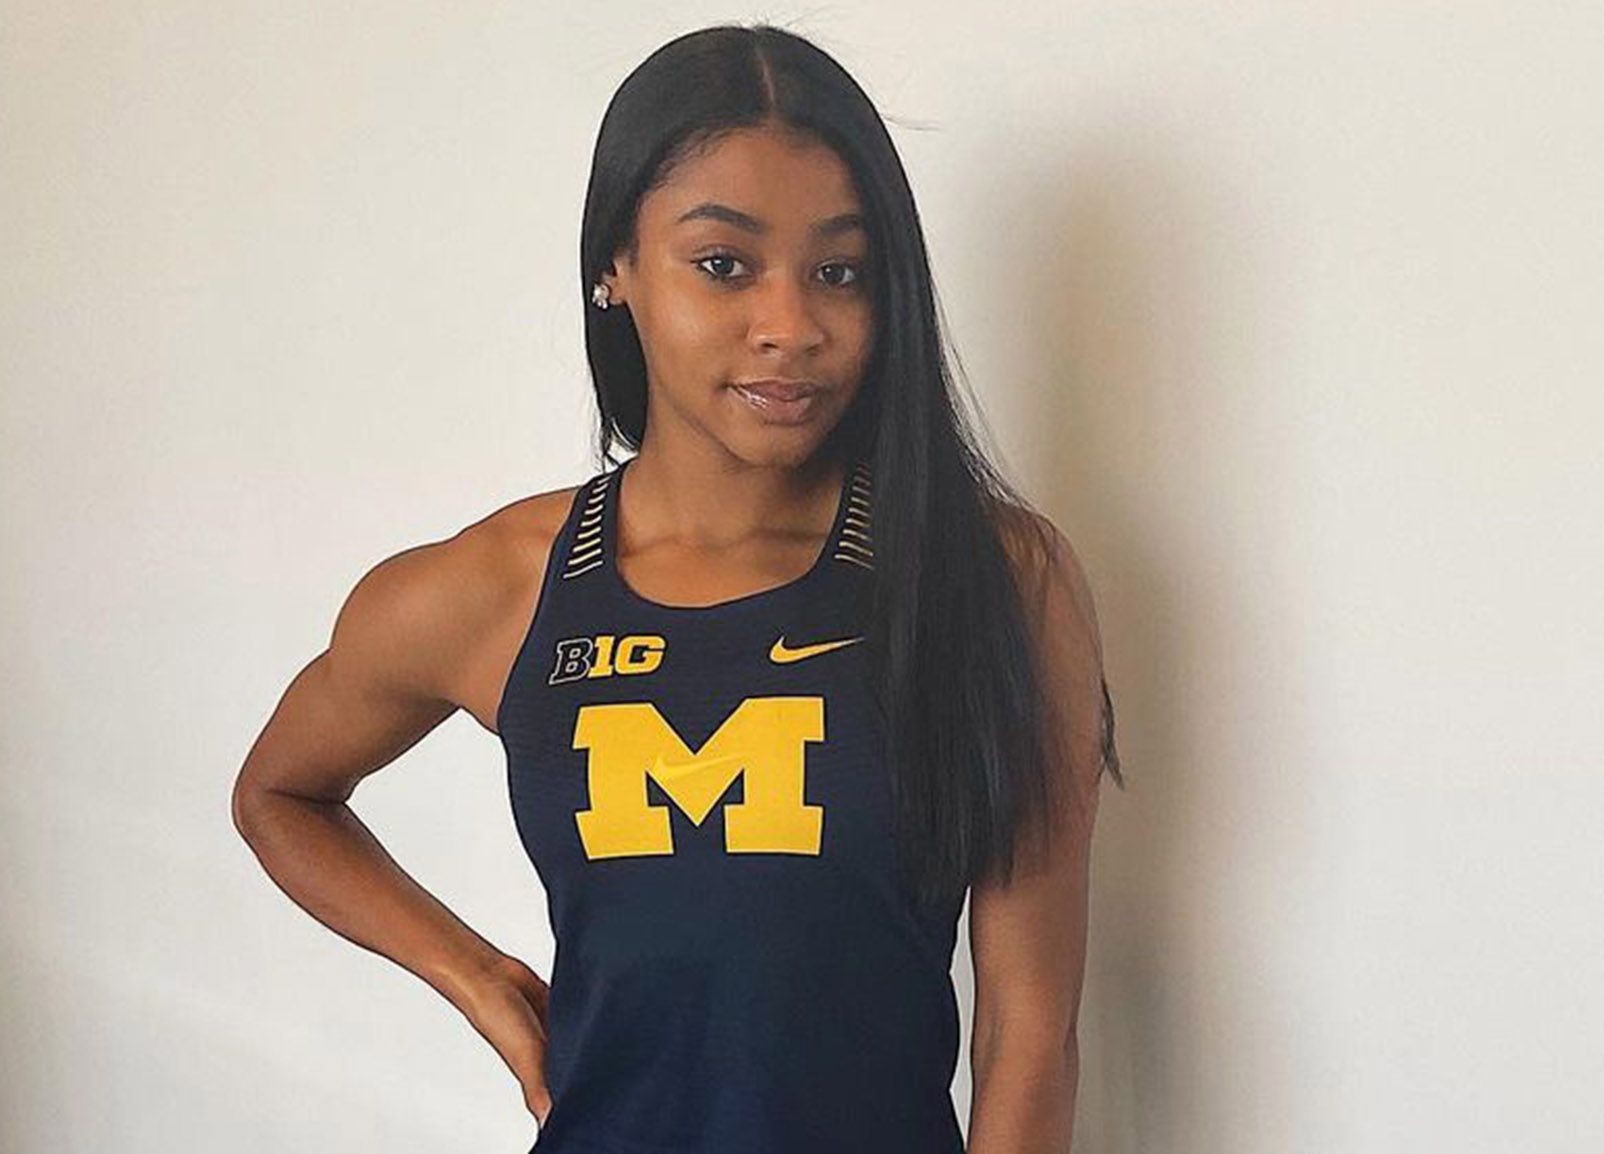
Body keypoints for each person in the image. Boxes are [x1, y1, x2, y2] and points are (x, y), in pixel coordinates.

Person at [230, 22, 1123, 1154]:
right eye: (723, 264)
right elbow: (279, 795)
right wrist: (478, 976)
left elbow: (1029, 1041)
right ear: (616, 266)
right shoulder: (496, 587)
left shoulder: (994, 576)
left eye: (839, 272)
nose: (790, 326)